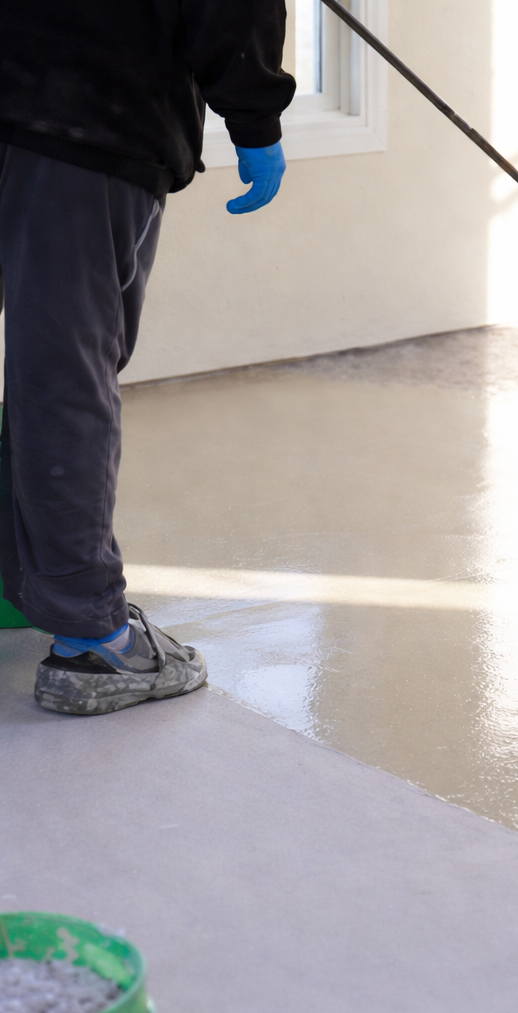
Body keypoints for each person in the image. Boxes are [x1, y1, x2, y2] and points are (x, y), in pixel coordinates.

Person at [0, 1, 296, 714]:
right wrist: (254, 115)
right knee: (61, 372)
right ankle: (91, 638)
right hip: (79, 111)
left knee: (56, 369)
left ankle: (34, 584)